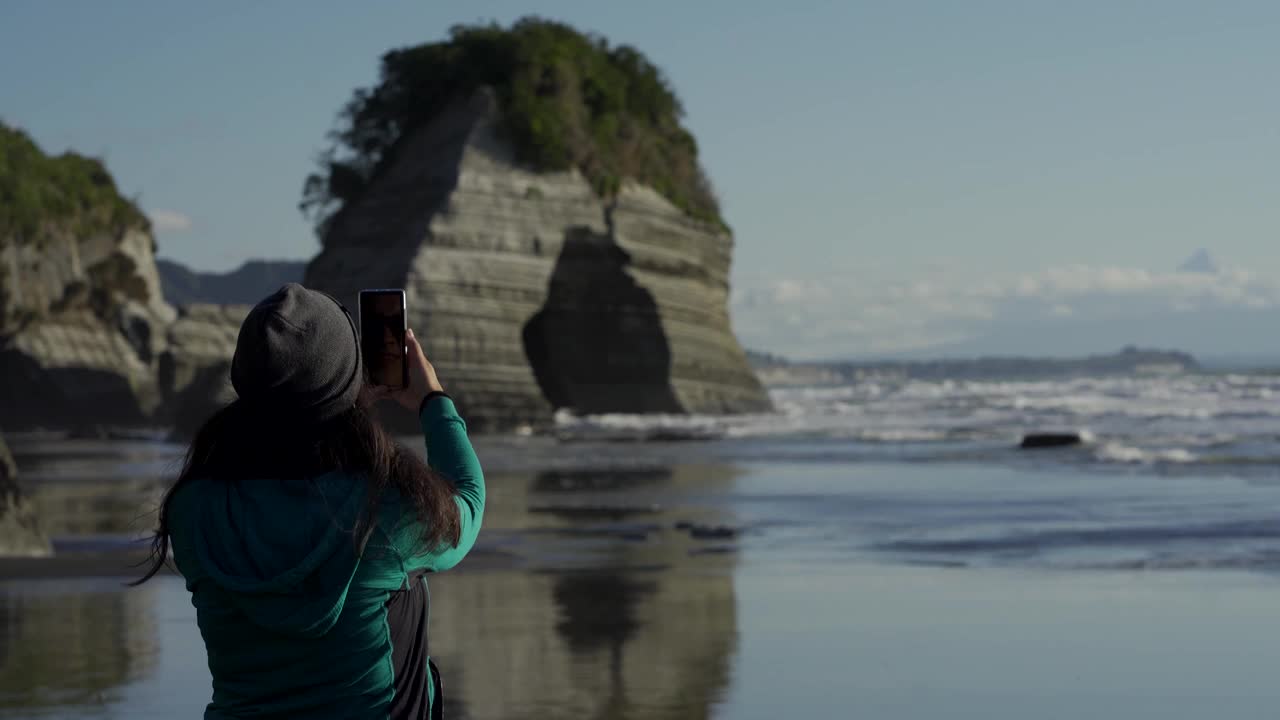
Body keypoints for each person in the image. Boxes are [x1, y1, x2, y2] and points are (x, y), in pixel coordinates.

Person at [133, 283, 484, 720]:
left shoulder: (194, 511)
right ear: (347, 382)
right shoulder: (385, 511)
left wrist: (340, 399)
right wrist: (433, 401)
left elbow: (285, 439)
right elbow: (466, 501)